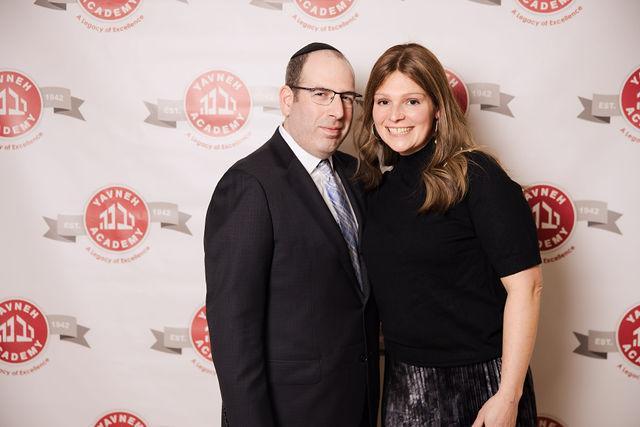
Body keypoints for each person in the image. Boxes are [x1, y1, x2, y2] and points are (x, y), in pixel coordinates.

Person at [355, 43, 543, 427]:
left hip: (483, 381)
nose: (395, 115)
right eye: (383, 102)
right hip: (405, 382)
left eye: (412, 101)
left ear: (438, 108)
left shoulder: (477, 176)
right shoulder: (376, 190)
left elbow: (528, 288)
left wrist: (508, 395)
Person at [204, 42, 379, 427]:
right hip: (291, 413)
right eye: (321, 94)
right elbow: (233, 332)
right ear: (287, 99)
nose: (338, 111)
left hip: (357, 406)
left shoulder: (356, 176)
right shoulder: (249, 185)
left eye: (347, 97)